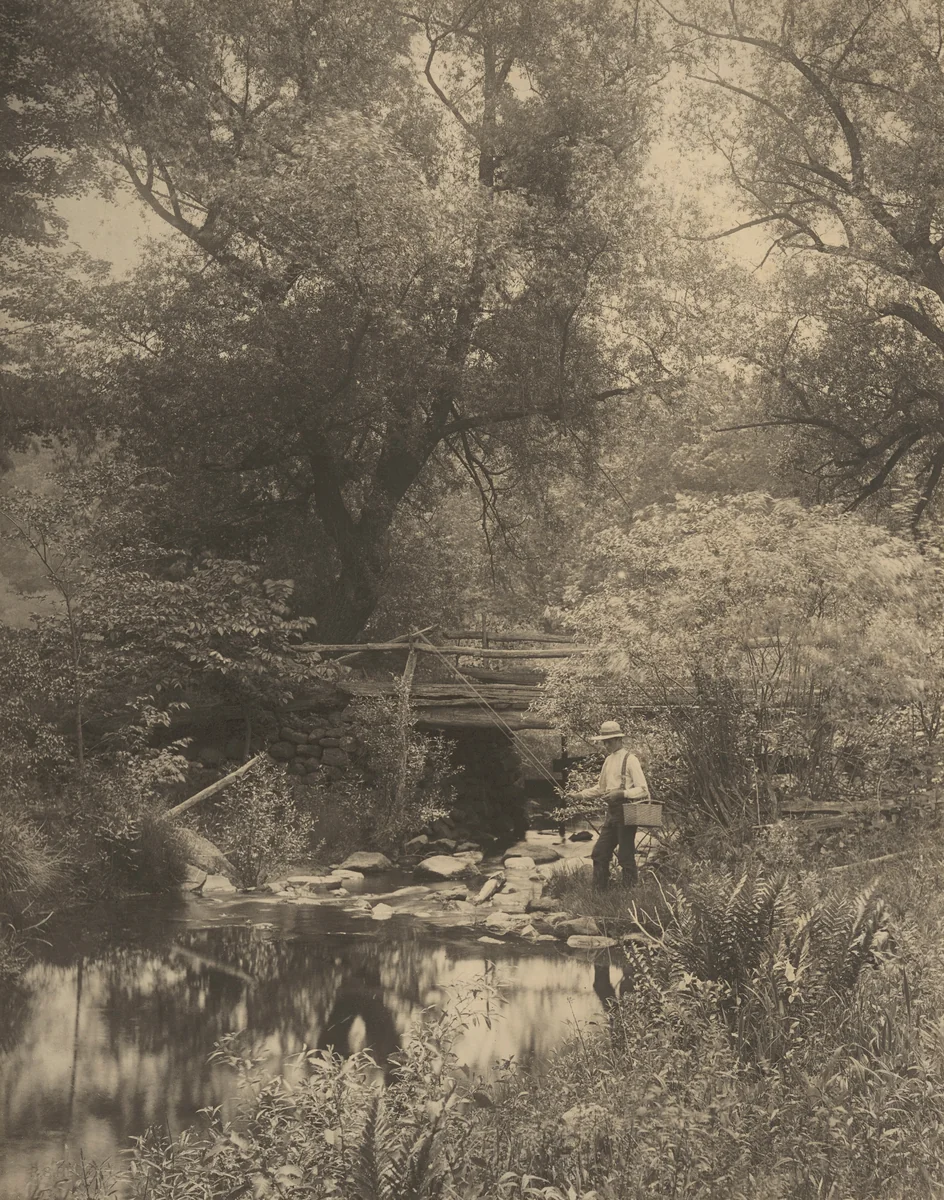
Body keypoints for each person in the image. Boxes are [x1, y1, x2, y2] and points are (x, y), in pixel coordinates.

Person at [571, 720, 650, 890]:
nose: (606, 745)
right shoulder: (608, 760)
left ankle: (629, 893)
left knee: (625, 856)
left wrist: (621, 793)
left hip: (627, 813)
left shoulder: (631, 760)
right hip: (612, 814)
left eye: (609, 741)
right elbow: (600, 788)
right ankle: (599, 893)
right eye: (604, 742)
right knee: (599, 853)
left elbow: (643, 790)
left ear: (618, 740)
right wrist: (580, 795)